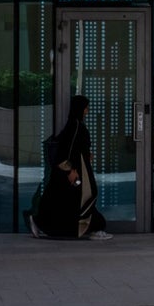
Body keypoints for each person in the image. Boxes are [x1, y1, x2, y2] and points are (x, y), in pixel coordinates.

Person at [27, 95, 110, 240]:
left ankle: (92, 228)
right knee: (86, 197)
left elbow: (76, 148)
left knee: (68, 202)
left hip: (75, 172)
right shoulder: (75, 126)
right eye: (85, 108)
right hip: (75, 173)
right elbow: (66, 151)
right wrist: (70, 171)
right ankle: (94, 229)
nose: (87, 111)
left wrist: (86, 155)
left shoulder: (74, 125)